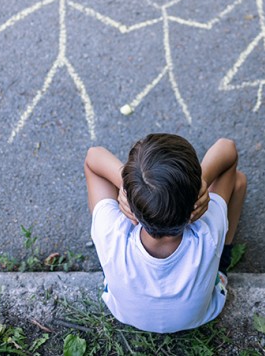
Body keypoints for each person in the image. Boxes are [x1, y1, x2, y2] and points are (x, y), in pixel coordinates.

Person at [84, 134, 247, 333]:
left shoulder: (112, 232)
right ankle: (224, 257)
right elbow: (227, 148)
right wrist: (204, 180)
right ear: (197, 204)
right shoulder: (208, 231)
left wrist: (127, 186)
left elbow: (93, 157)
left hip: (124, 312)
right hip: (201, 315)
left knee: (103, 182)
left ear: (130, 208)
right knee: (238, 181)